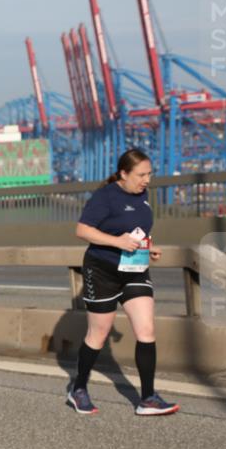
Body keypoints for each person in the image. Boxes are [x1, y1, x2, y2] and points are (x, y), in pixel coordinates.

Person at [68, 148, 179, 416]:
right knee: (98, 335)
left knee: (146, 330)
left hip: (134, 270)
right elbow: (82, 230)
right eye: (141, 175)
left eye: (149, 174)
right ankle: (78, 388)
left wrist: (148, 247)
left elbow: (136, 231)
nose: (147, 180)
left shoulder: (142, 195)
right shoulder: (105, 196)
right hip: (102, 271)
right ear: (123, 174)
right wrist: (117, 242)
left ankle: (147, 398)